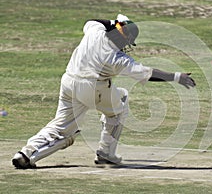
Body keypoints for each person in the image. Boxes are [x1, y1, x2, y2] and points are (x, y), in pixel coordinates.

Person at [12, 14, 196, 169]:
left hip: (68, 82)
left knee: (60, 126)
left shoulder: (95, 31)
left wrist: (116, 24)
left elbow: (93, 21)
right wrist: (176, 76)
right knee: (120, 102)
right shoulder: (118, 58)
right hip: (93, 88)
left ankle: (26, 153)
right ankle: (106, 152)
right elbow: (148, 74)